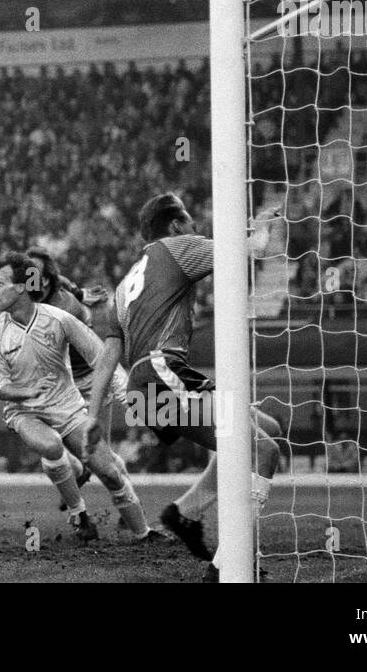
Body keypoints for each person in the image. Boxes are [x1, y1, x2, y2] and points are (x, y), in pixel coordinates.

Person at [88, 192, 284, 580]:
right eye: (192, 223)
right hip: (165, 373)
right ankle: (228, 565)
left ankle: (186, 513)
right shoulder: (180, 247)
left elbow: (109, 352)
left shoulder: (126, 283)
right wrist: (265, 221)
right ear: (176, 226)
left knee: (265, 430)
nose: (198, 231)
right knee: (265, 449)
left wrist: (93, 414)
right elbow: (254, 248)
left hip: (141, 391)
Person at [0, 251, 154, 543]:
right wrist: (24, 392)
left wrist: (130, 398)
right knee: (50, 445)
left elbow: (102, 358)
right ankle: (80, 514)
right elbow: (0, 387)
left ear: (21, 287)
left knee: (110, 472)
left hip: (68, 408)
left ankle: (144, 533)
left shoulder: (60, 318)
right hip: (24, 412)